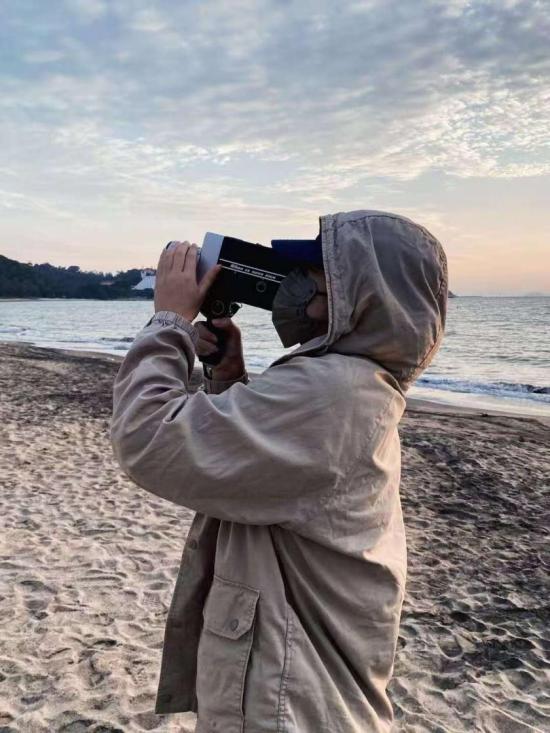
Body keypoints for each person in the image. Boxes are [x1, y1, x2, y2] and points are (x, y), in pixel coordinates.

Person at [111, 209, 448, 733]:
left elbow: (147, 436)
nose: (293, 287)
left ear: (354, 295)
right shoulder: (356, 384)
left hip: (286, 700)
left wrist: (169, 322)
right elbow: (259, 477)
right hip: (300, 686)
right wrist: (229, 377)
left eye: (310, 276)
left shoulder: (332, 391)